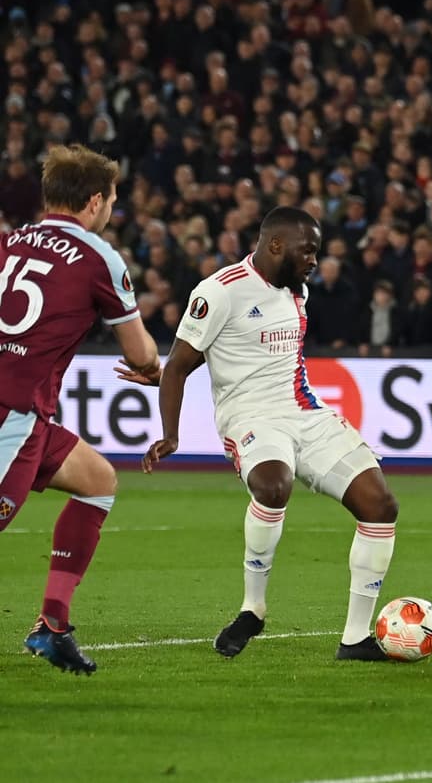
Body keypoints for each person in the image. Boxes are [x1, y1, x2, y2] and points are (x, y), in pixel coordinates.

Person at [138, 206, 400, 661]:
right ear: (275, 244)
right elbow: (180, 364)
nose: (314, 261)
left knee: (381, 505)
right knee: (274, 486)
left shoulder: (296, 291)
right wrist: (171, 434)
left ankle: (356, 639)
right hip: (250, 417)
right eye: (308, 250)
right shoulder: (218, 292)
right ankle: (252, 609)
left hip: (304, 410)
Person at [0, 144, 162, 674]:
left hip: (30, 415)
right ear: (95, 200)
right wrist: (155, 372)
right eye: (112, 199)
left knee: (98, 481)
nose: (111, 208)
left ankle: (52, 625)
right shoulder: (99, 257)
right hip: (13, 416)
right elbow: (139, 354)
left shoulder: (10, 242)